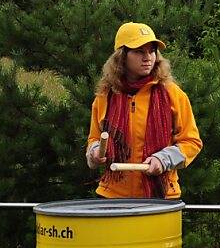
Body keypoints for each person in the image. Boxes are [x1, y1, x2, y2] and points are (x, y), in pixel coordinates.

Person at [86, 22, 202, 199]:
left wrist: (162, 160)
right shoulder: (105, 97)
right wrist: (95, 153)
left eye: (152, 51)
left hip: (162, 196)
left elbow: (192, 142)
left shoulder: (173, 94)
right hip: (113, 196)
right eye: (139, 51)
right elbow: (94, 138)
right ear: (121, 56)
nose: (148, 57)